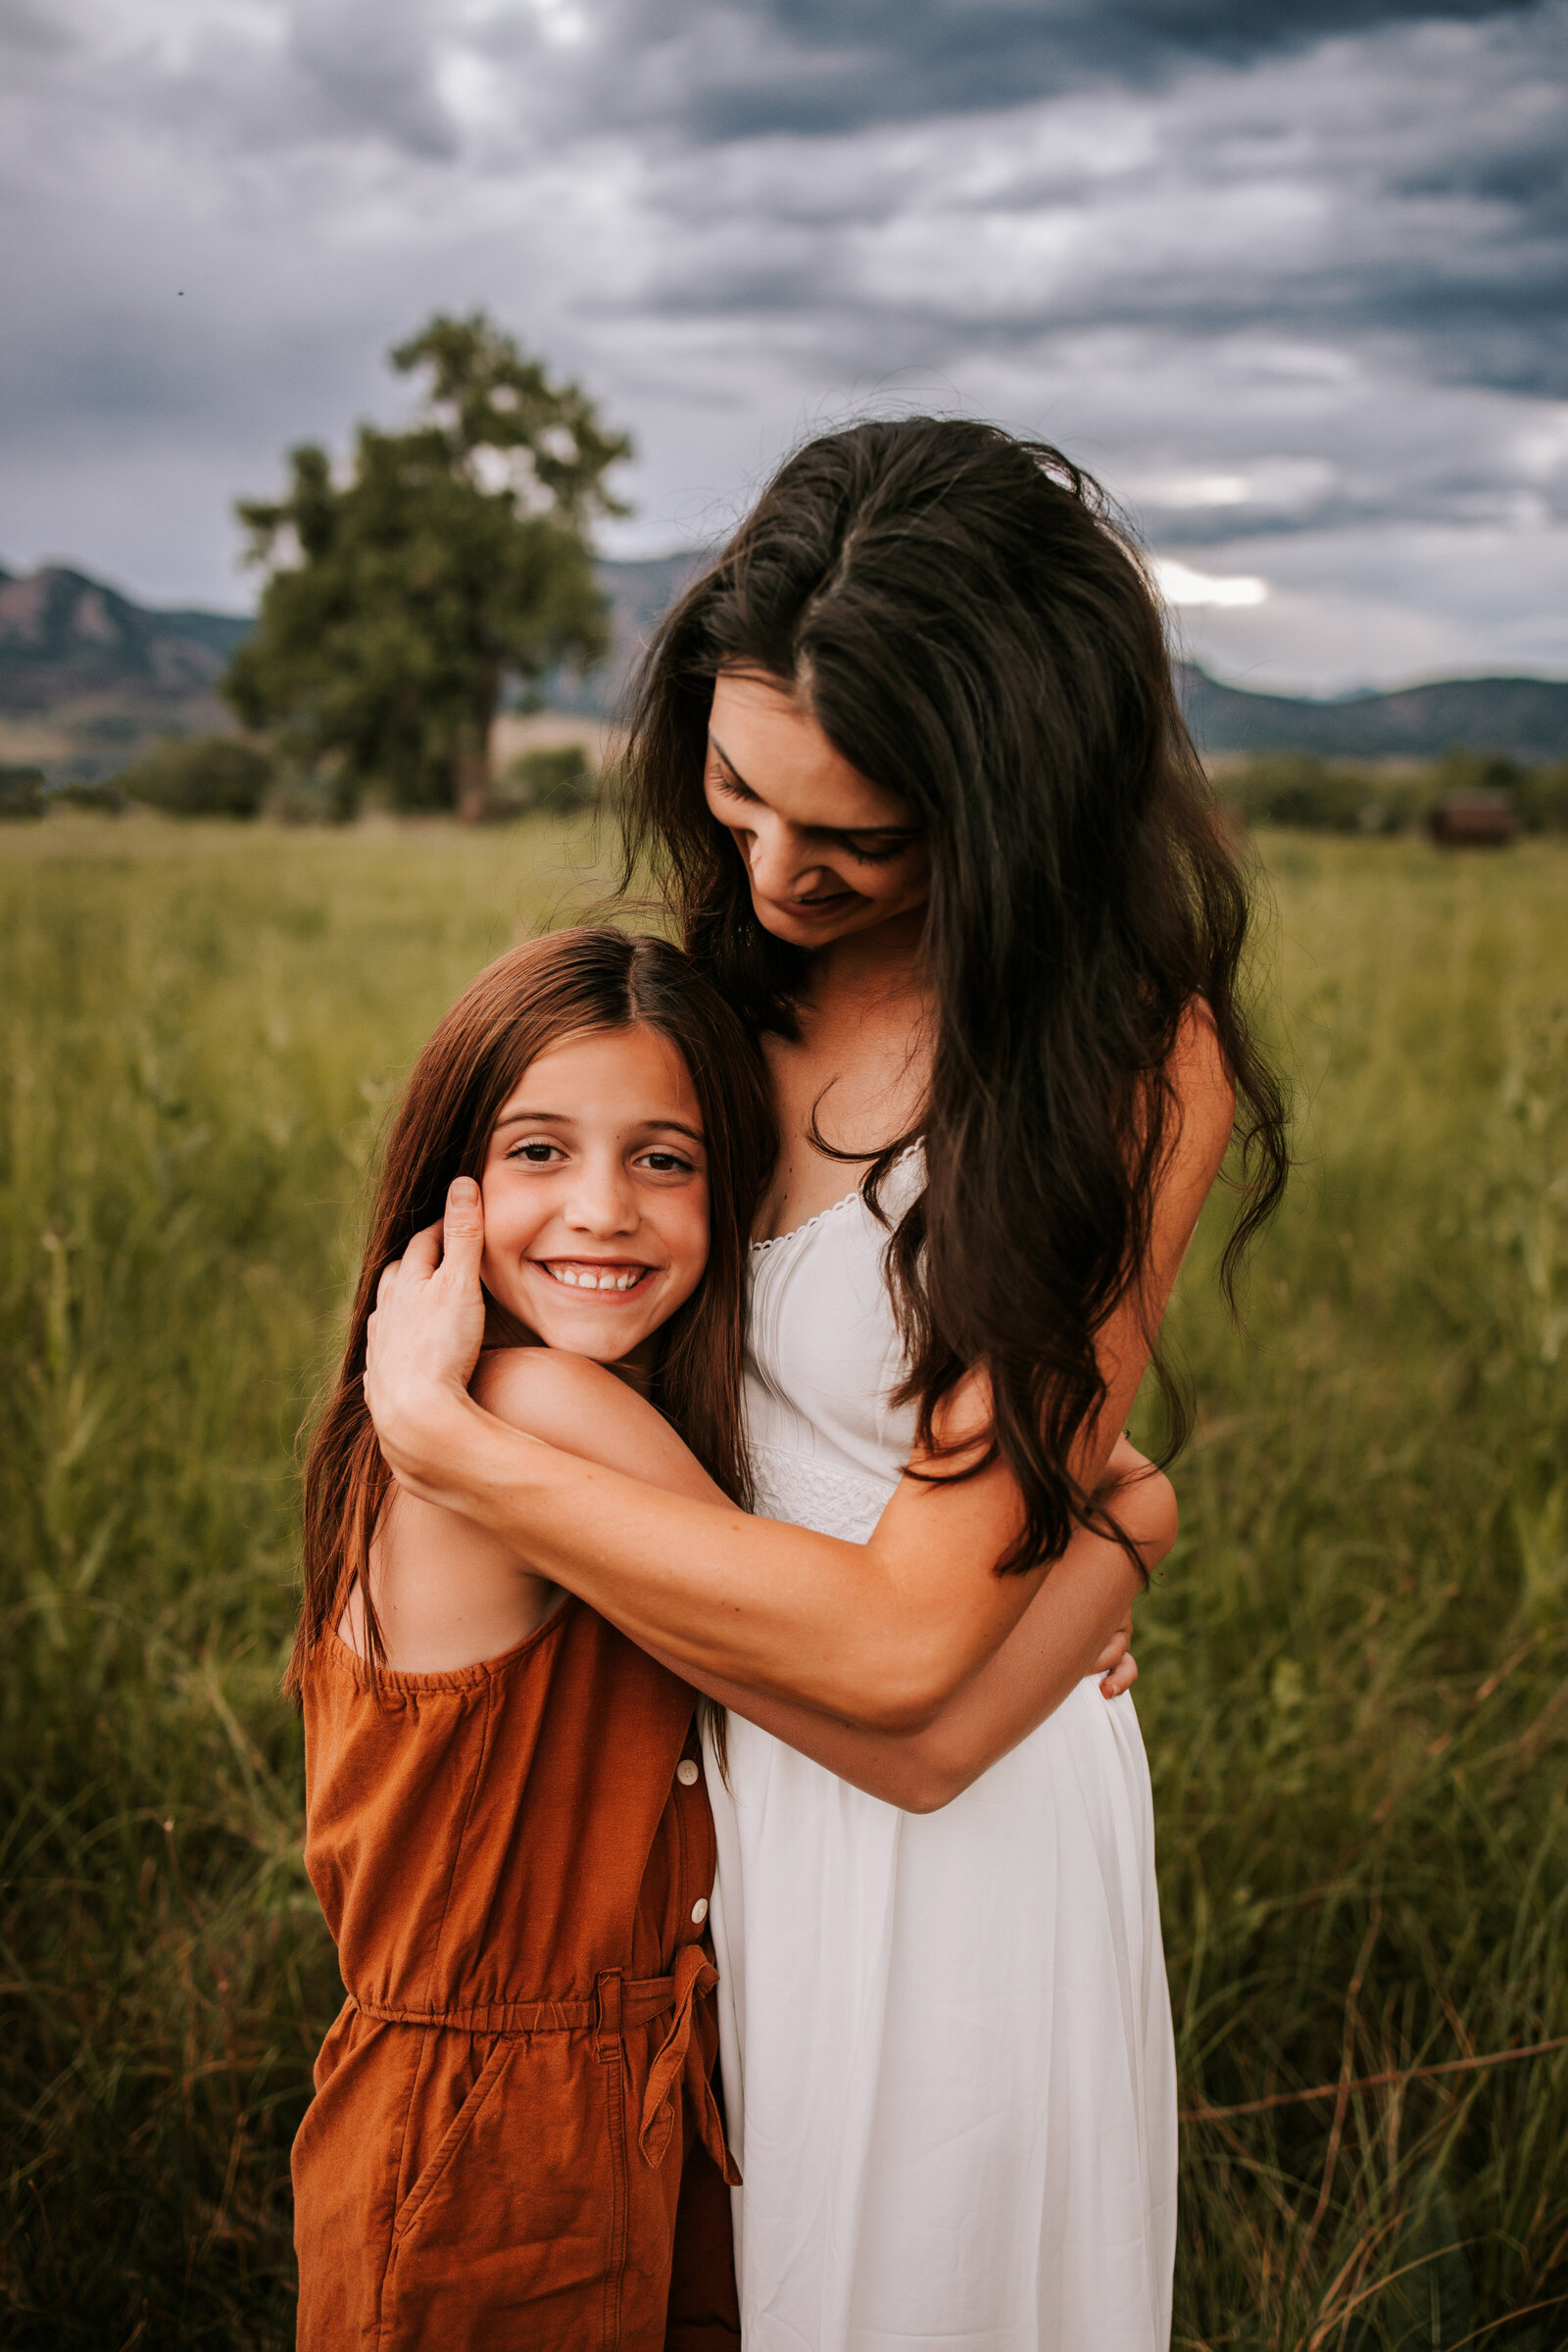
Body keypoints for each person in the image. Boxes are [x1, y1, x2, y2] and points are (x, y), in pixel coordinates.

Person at [362, 417, 1289, 2351]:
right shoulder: (705, 1000)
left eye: (854, 839)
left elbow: (906, 1688)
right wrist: (1118, 1532)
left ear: (1005, 804)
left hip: (953, 1851)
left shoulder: (1113, 1065)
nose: (771, 868)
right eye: (732, 789)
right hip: (686, 1802)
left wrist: (439, 1434)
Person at [288, 927, 771, 2351]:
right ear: (449, 1196)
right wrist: (1117, 1527)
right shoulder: (529, 1414)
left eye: (665, 1159)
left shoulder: (521, 1416)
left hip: (633, 2109)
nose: (603, 1209)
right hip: (490, 2156)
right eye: (540, 1153)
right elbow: (848, 1641)